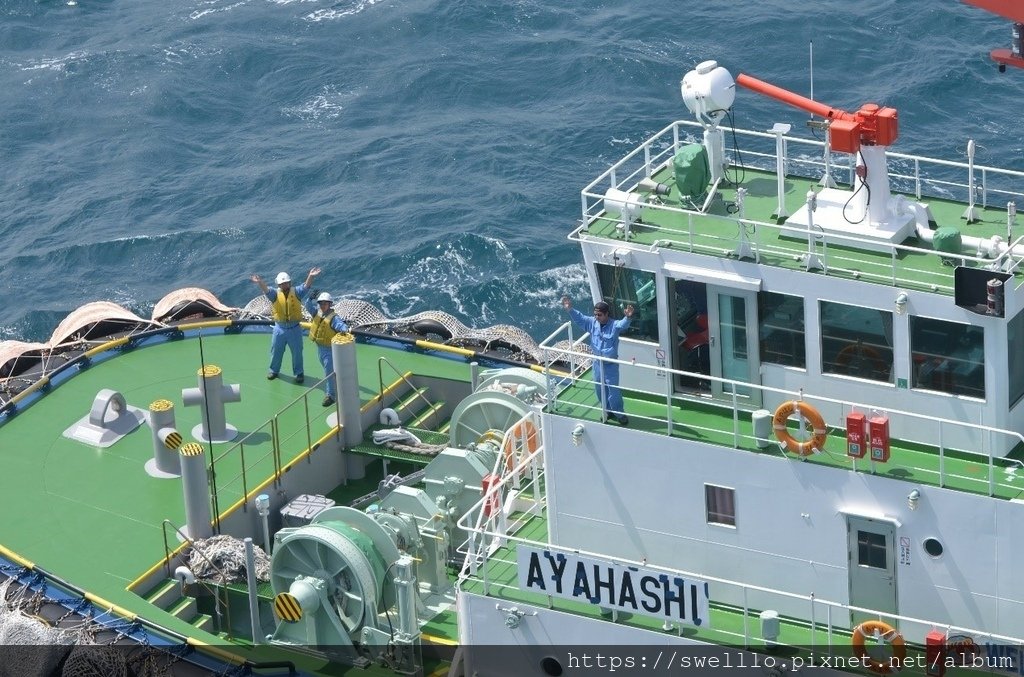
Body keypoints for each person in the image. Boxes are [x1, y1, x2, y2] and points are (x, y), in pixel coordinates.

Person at [561, 296, 634, 425]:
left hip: (610, 365)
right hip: (597, 364)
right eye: (595, 314)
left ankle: (619, 414)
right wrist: (570, 309)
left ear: (606, 314)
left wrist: (627, 317)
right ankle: (607, 411)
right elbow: (580, 318)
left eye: (599, 315)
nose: (596, 317)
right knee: (599, 390)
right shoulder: (592, 323)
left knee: (613, 391)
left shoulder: (614, 325)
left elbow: (622, 325)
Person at [250, 267, 320, 383]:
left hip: (295, 328)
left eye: (286, 283)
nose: (284, 285)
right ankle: (274, 370)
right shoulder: (274, 294)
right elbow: (266, 290)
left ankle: (299, 373)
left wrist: (311, 276)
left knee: (297, 352)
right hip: (279, 328)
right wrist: (260, 282)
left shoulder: (297, 292)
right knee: (276, 350)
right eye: (282, 283)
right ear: (278, 284)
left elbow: (306, 287)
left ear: (289, 283)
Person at [306, 292, 350, 407]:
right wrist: (310, 298)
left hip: (329, 350)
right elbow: (308, 307)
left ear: (330, 304)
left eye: (325, 303)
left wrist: (345, 329)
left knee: (329, 373)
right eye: (320, 303)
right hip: (320, 348)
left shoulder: (334, 318)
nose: (322, 305)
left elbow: (340, 325)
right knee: (330, 371)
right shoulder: (317, 313)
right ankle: (336, 388)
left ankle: (331, 395)